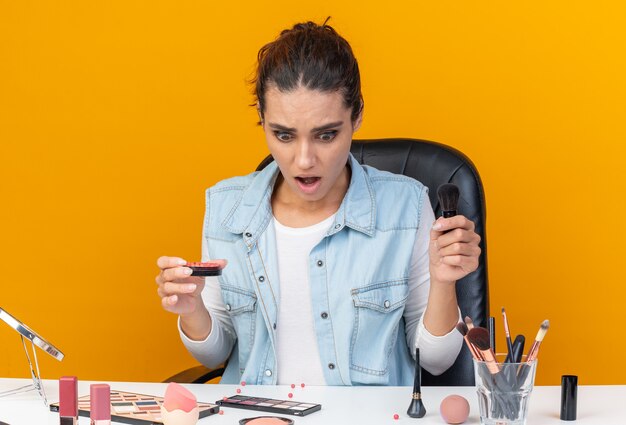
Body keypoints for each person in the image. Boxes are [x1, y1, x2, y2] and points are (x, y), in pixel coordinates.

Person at [155, 20, 481, 386]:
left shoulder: (405, 207)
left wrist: (442, 281)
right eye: (283, 135)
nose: (305, 159)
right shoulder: (226, 208)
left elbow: (435, 362)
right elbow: (215, 355)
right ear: (261, 120)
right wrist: (191, 308)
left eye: (326, 135)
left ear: (356, 116)